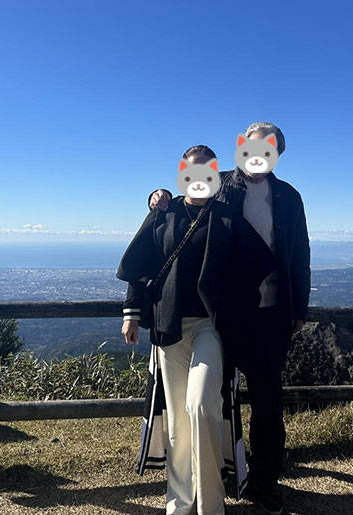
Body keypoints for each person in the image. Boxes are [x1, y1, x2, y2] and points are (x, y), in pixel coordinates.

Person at [147, 122, 311, 515]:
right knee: (209, 402)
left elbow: (300, 253)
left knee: (269, 404)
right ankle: (215, 479)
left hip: (271, 316)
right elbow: (179, 204)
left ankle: (264, 482)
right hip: (221, 316)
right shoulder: (218, 184)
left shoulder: (289, 197)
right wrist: (156, 196)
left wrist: (299, 308)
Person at [118, 144, 276, 515]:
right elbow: (142, 263)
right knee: (177, 421)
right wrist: (131, 313)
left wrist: (252, 309)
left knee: (202, 406)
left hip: (211, 327)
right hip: (169, 326)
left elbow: (262, 264)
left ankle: (210, 504)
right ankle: (180, 504)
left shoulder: (226, 218)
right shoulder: (165, 211)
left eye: (207, 172)